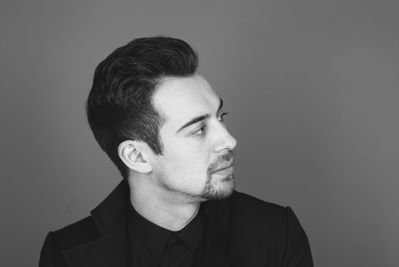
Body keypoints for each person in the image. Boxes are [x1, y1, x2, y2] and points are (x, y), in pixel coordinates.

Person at [39, 36, 313, 267]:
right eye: (198, 130)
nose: (229, 141)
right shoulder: (65, 254)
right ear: (137, 156)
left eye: (220, 116)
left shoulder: (277, 233)